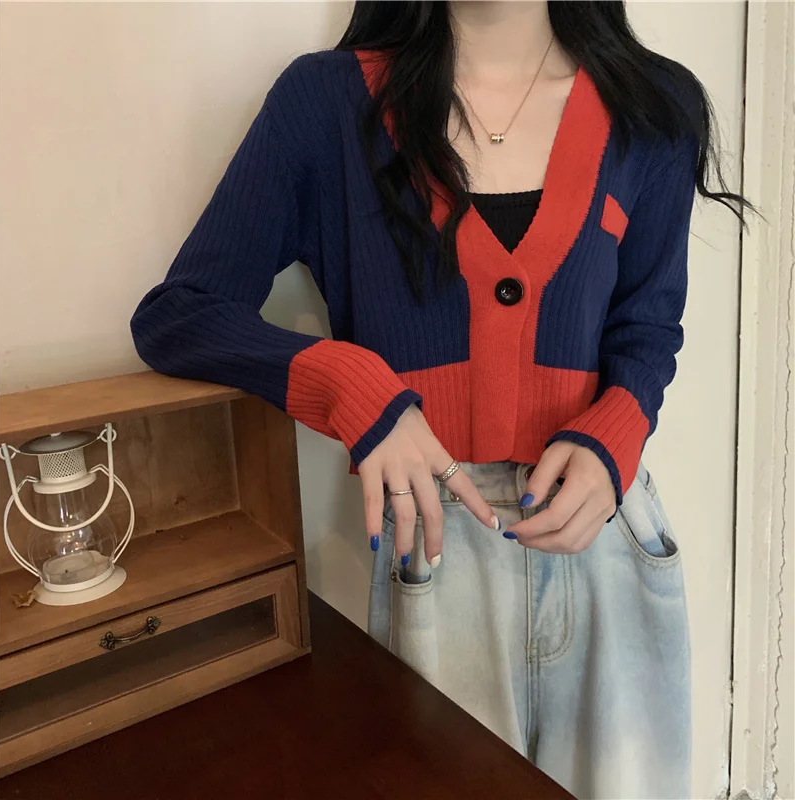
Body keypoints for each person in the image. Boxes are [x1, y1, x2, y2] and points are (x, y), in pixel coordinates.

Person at [132, 2, 748, 797]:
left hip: (606, 532)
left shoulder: (654, 108)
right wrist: (354, 388)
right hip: (435, 540)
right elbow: (180, 316)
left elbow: (648, 324)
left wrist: (616, 432)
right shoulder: (328, 105)